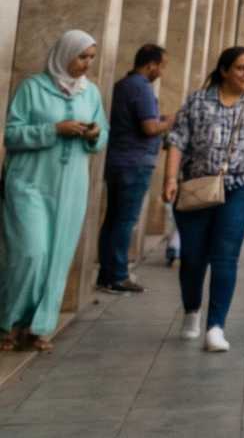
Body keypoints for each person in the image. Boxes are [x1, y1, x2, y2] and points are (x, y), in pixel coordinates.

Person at [0, 31, 107, 351]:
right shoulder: (32, 88)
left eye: (91, 57)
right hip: (29, 182)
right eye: (82, 56)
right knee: (30, 253)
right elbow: (11, 134)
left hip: (71, 187)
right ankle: (9, 321)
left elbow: (102, 135)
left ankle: (40, 326)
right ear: (64, 54)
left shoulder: (91, 93)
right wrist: (53, 130)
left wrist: (93, 134)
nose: (87, 64)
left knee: (58, 256)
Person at [163, 47, 244, 353]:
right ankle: (192, 310)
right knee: (193, 257)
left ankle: (216, 327)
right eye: (240, 67)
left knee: (225, 255)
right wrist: (170, 179)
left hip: (242, 187)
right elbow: (177, 140)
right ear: (224, 70)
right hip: (197, 188)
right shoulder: (198, 101)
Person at [96, 43, 173, 294]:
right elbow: (149, 127)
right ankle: (118, 276)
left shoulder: (123, 85)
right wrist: (171, 121)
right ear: (151, 65)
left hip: (118, 160)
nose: (161, 72)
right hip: (135, 163)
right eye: (161, 66)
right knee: (125, 221)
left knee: (113, 219)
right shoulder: (141, 88)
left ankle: (107, 274)